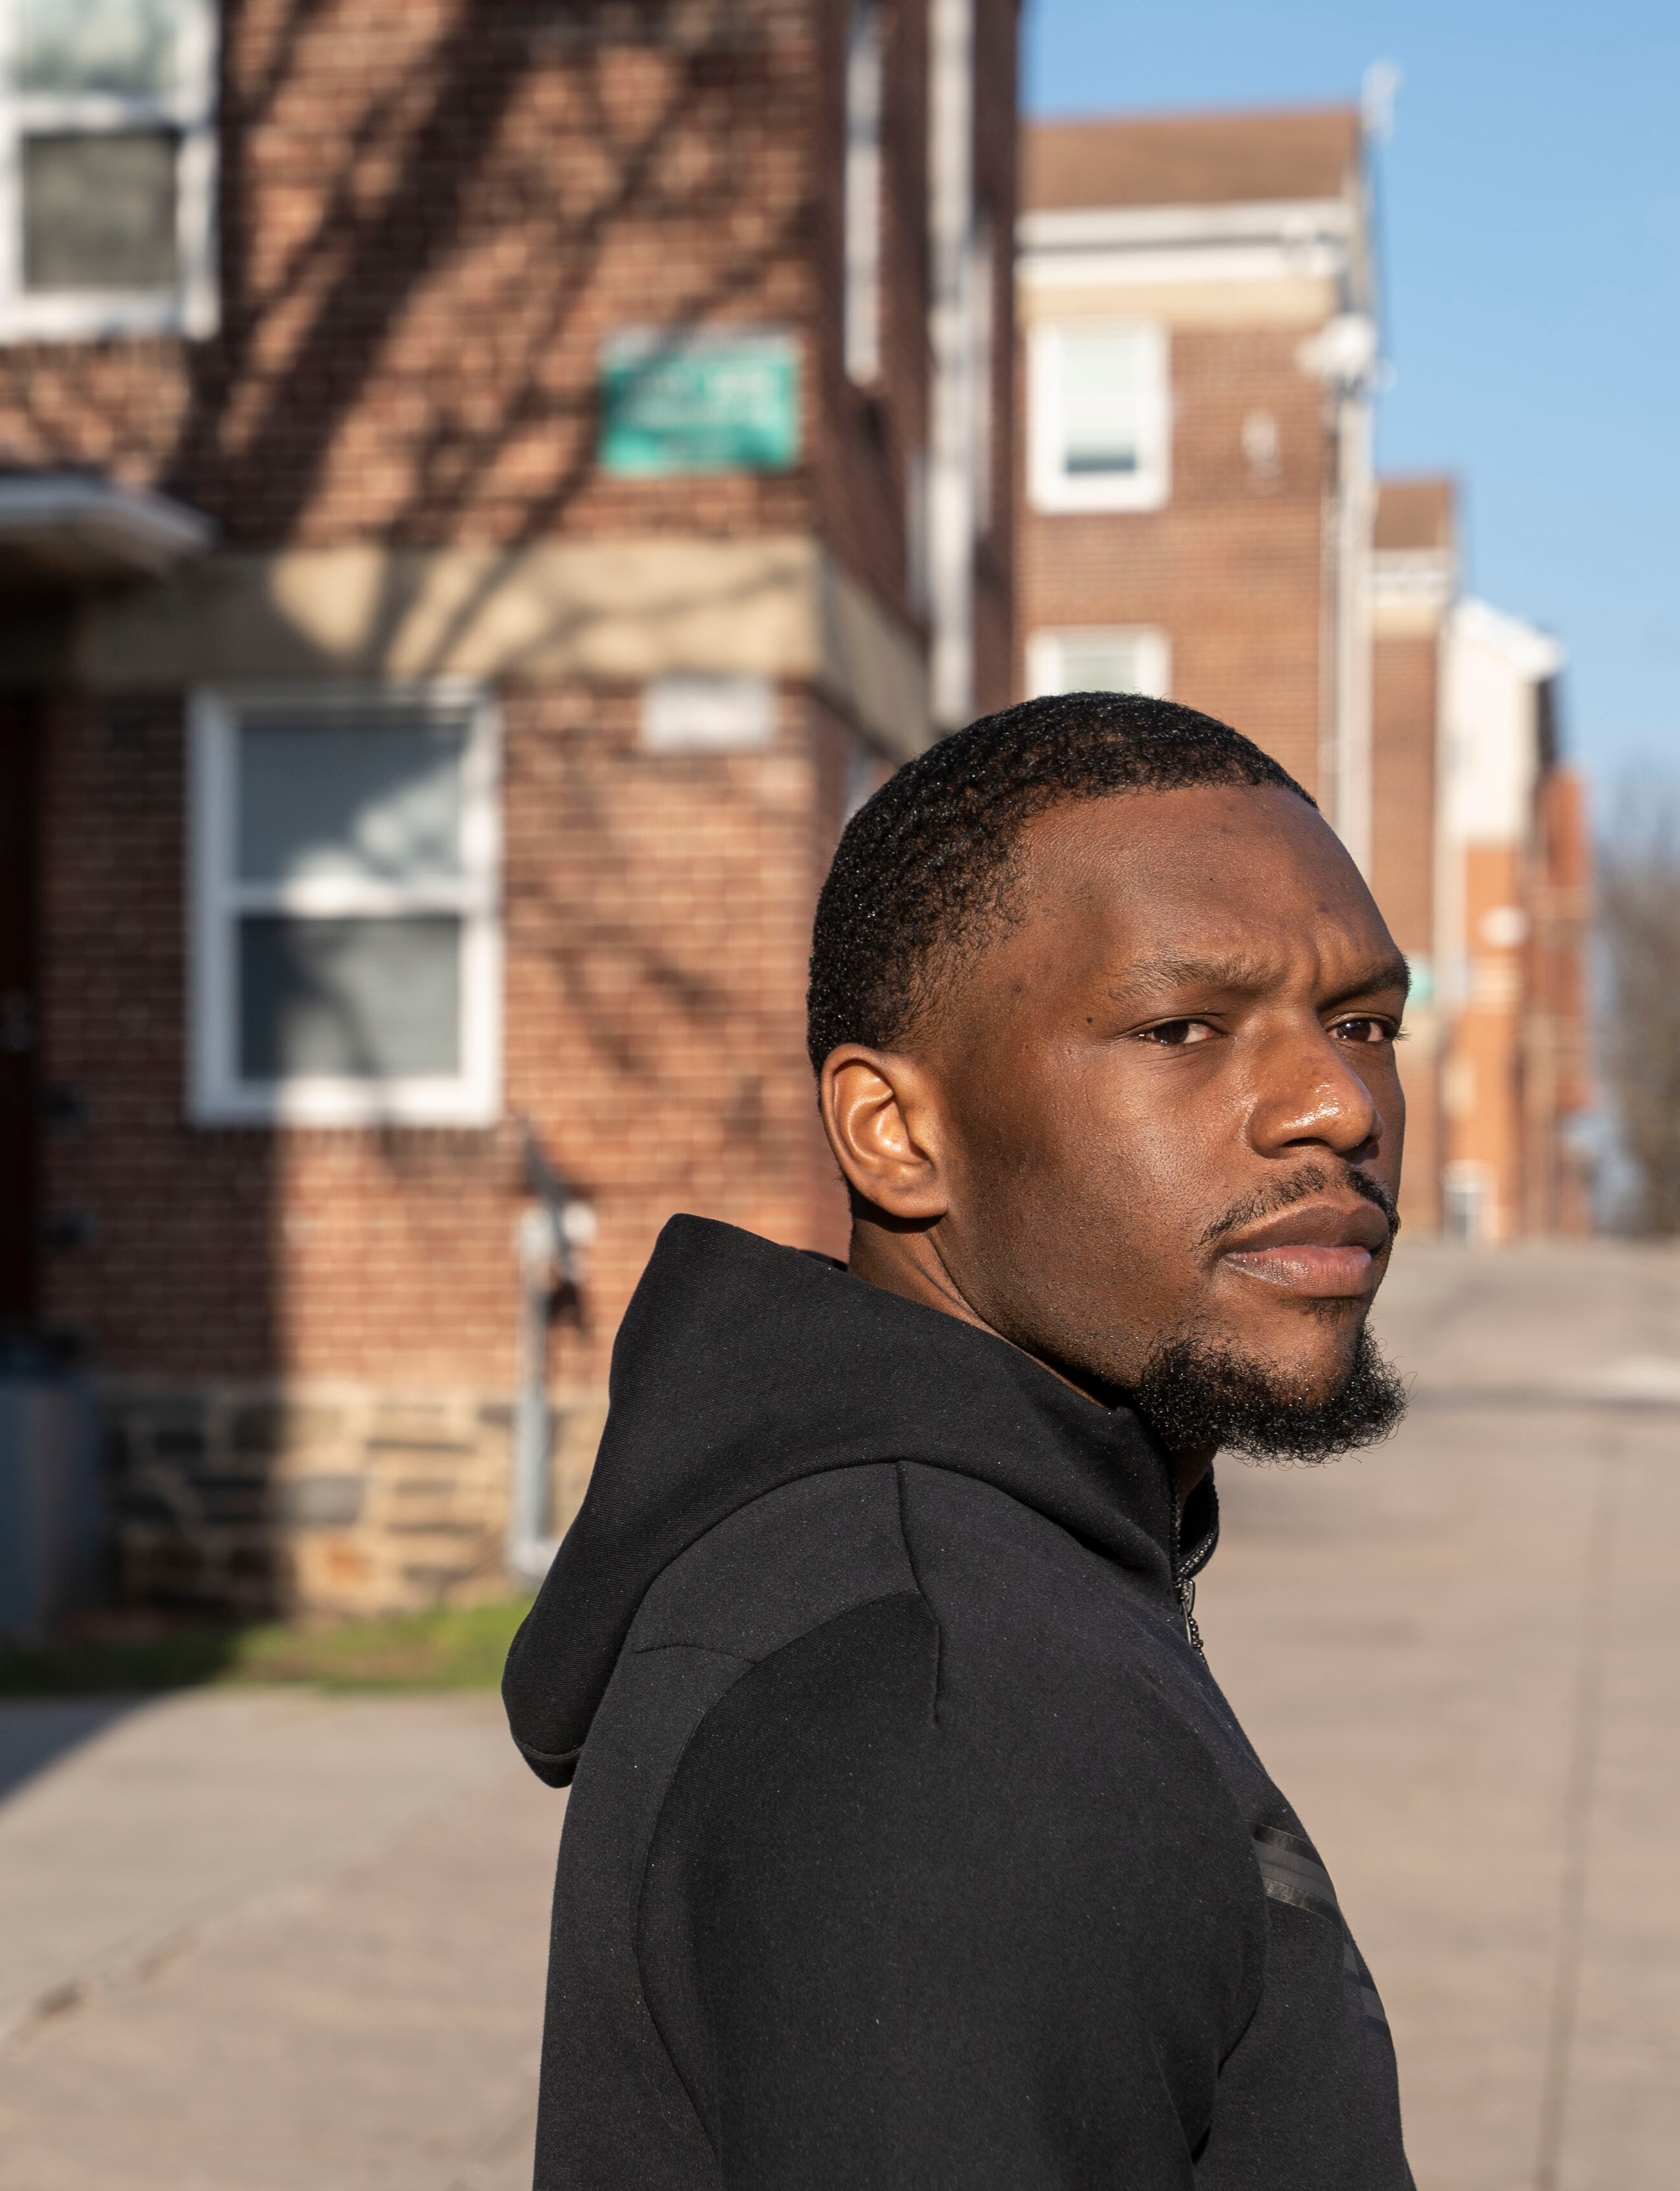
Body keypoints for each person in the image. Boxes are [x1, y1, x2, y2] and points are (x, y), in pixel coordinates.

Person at [504, 694, 1414, 2189]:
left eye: (1364, 1023)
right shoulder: (935, 1698)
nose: (1336, 1104)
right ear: (894, 1133)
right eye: (1181, 1029)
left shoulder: (997, 1573)